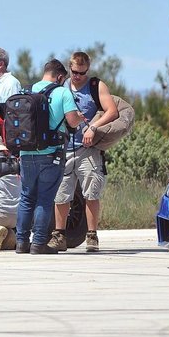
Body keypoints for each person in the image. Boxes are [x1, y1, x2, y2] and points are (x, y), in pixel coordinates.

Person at [49, 52, 119, 253]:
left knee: (91, 192)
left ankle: (92, 236)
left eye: (82, 72)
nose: (78, 76)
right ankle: (59, 235)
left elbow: (112, 111)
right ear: (69, 69)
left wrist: (93, 127)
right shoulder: (61, 88)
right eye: (74, 72)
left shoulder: (96, 86)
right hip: (64, 148)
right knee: (61, 194)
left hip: (87, 149)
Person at [16, 59, 84, 254]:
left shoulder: (26, 90)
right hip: (51, 154)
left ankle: (21, 242)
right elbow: (71, 121)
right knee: (45, 199)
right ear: (60, 77)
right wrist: (79, 118)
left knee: (26, 197)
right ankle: (38, 243)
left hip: (26, 153)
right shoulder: (63, 92)